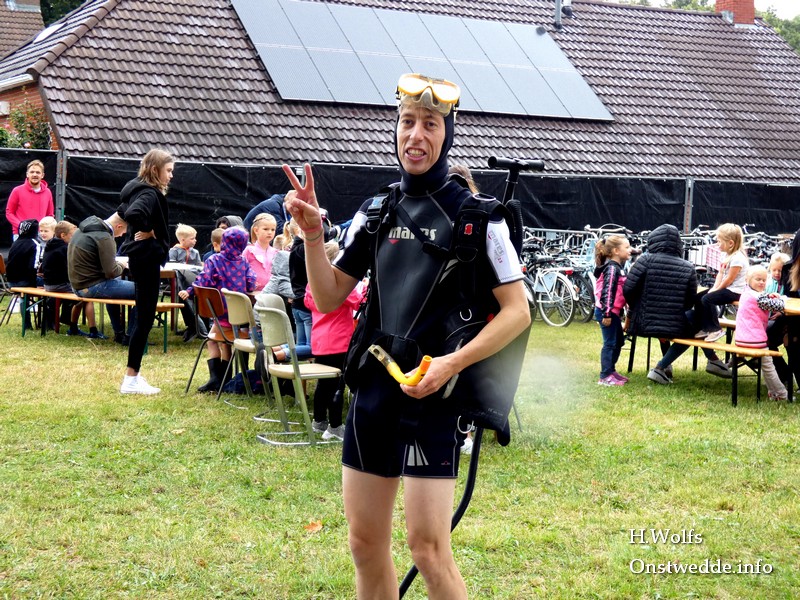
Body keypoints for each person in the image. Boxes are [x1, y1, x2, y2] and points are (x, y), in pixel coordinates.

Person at [281, 72, 530, 599]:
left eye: (431, 124)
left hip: (433, 396)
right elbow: (328, 295)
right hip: (374, 392)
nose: (416, 135)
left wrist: (450, 365)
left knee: (428, 550)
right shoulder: (377, 211)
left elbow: (517, 313)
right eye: (407, 122)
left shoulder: (479, 218)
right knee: (364, 543)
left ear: (447, 135)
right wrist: (312, 235)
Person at [623, 224, 731, 384]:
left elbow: (628, 290)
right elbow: (689, 301)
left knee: (689, 324)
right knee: (697, 323)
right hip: (672, 325)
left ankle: (707, 361)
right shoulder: (687, 267)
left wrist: (637, 309)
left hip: (642, 322)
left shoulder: (644, 261)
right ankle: (663, 367)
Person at [117, 149, 175, 395]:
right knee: (144, 318)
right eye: (168, 170)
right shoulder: (149, 193)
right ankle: (131, 379)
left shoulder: (135, 189)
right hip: (146, 258)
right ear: (154, 170)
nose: (170, 176)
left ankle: (134, 376)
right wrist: (153, 231)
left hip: (140, 258)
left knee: (144, 316)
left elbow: (122, 212)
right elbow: (132, 214)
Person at [179, 227, 256, 393]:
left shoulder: (214, 260)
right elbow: (251, 282)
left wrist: (190, 291)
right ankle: (225, 379)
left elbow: (203, 281)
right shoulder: (243, 261)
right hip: (240, 316)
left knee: (212, 340)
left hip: (220, 313)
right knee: (225, 342)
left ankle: (217, 379)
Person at [303, 241, 363, 441]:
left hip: (320, 340)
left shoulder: (313, 284)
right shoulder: (338, 284)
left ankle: (319, 420)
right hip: (338, 340)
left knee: (324, 384)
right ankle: (335, 425)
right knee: (338, 384)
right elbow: (359, 301)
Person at [68, 204, 135, 345]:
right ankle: (131, 337)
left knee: (115, 287)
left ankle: (119, 333)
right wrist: (122, 265)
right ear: (118, 226)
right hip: (91, 286)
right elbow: (111, 272)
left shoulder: (82, 230)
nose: (122, 235)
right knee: (146, 291)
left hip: (77, 285)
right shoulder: (104, 237)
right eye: (124, 231)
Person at [734, 265, 788, 401]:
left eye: (764, 280)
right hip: (755, 340)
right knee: (769, 367)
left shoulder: (746, 293)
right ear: (748, 279)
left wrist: (769, 296)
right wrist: (781, 298)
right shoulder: (759, 298)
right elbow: (780, 306)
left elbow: (762, 300)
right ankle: (782, 394)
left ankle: (773, 392)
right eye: (758, 279)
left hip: (741, 338)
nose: (762, 282)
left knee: (766, 366)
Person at [41, 220, 102, 338]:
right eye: (72, 235)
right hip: (59, 284)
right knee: (86, 296)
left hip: (48, 284)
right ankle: (92, 330)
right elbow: (72, 269)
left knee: (80, 294)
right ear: (63, 235)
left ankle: (71, 325)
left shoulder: (51, 245)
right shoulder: (65, 248)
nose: (74, 238)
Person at [695, 223, 747, 342]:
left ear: (730, 243)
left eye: (719, 241)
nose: (717, 244)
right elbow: (721, 273)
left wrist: (717, 290)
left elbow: (729, 279)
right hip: (726, 288)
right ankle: (705, 327)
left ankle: (715, 329)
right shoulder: (725, 255)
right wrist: (714, 288)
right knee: (698, 298)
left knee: (707, 299)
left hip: (735, 291)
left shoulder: (738, 258)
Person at [593, 235, 631, 386]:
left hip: (613, 312)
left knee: (619, 341)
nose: (630, 250)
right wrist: (607, 313)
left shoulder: (617, 268)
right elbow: (608, 291)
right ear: (616, 251)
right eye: (626, 247)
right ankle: (605, 376)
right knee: (610, 343)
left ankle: (611, 370)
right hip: (606, 312)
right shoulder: (612, 269)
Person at [168, 223, 205, 342]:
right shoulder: (174, 251)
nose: (195, 241)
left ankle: (199, 326)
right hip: (178, 283)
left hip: (194, 282)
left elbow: (199, 267)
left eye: (195, 238)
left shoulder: (195, 252)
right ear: (182, 240)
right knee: (183, 298)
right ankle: (193, 326)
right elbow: (172, 267)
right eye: (192, 238)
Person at [5, 159, 54, 241]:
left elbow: (50, 215)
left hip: (41, 235)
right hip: (21, 235)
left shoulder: (47, 192)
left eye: (38, 172)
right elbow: (9, 213)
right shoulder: (17, 191)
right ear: (27, 174)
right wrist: (22, 226)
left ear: (42, 175)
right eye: (32, 172)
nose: (34, 174)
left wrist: (45, 230)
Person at [242, 212, 278, 292]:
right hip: (252, 292)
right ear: (256, 230)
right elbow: (242, 271)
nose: (270, 232)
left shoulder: (276, 252)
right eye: (265, 229)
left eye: (273, 229)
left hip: (271, 293)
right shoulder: (249, 251)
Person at [6, 219, 40, 288]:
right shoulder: (34, 244)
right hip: (25, 282)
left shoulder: (15, 243)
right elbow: (33, 266)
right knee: (50, 282)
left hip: (10, 282)